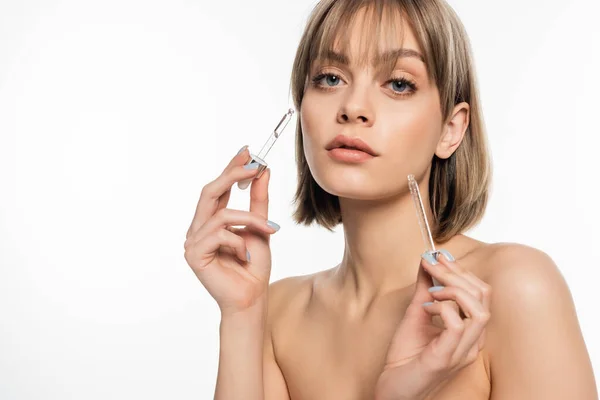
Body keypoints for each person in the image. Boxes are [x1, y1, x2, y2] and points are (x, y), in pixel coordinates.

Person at [184, 0, 598, 398]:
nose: (353, 107)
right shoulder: (276, 314)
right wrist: (240, 315)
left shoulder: (514, 290)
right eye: (330, 78)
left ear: (450, 130)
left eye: (399, 84)